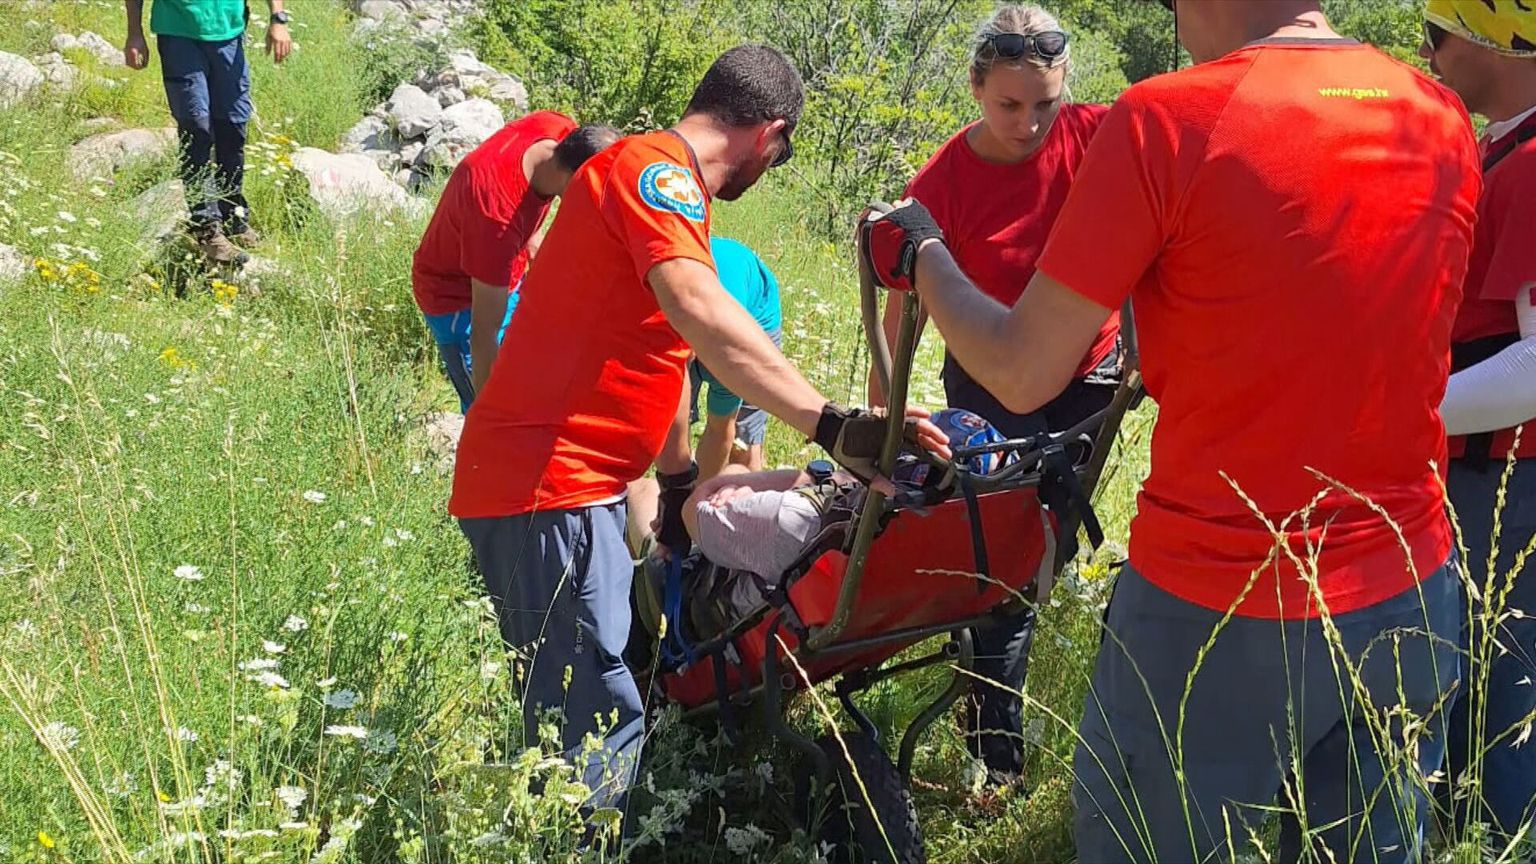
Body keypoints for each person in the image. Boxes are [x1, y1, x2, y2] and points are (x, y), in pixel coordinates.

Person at [861, 0, 1481, 859]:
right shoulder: (1435, 112)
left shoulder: (1168, 117)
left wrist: (922, 252)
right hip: (1409, 583)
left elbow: (1020, 368)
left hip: (1219, 596)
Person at [450, 44, 949, 817]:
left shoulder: (656, 185)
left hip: (559, 484)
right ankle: (576, 841)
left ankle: (570, 827)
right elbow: (699, 311)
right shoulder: (658, 173)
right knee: (590, 721)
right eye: (779, 157)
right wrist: (829, 423)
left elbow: (659, 356)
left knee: (579, 698)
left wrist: (680, 480)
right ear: (770, 134)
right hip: (550, 485)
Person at [867, 3, 1117, 788]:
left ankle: (1004, 728)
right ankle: (995, 763)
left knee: (1047, 552)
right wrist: (880, 428)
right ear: (976, 88)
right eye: (1010, 104)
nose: (1030, 124)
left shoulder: (1097, 137)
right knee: (1003, 571)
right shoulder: (942, 184)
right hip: (989, 380)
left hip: (1088, 375)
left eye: (1046, 103)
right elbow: (899, 316)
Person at [1420, 0, 1536, 843]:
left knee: (1502, 691)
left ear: (1489, 38)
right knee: (1471, 683)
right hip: (1481, 473)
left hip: (1508, 483)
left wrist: (1400, 413)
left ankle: (1494, 841)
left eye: (1437, 34)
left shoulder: (1531, 164)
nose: (1428, 55)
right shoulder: (1502, 148)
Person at [411, 113, 619, 412]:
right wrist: (493, 417)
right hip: (458, 301)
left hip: (502, 271)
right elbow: (483, 335)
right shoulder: (496, 220)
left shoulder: (554, 127)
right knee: (488, 405)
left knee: (527, 377)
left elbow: (526, 205)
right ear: (575, 178)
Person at [124, 0, 291, 266]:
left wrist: (278, 18)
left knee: (233, 128)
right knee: (196, 128)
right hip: (179, 35)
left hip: (228, 35)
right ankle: (207, 229)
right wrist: (134, 32)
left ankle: (233, 216)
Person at [691, 236, 784, 479]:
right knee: (667, 421)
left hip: (757, 312)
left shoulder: (730, 352)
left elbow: (720, 430)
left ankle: (747, 499)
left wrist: (697, 497)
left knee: (743, 444)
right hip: (700, 290)